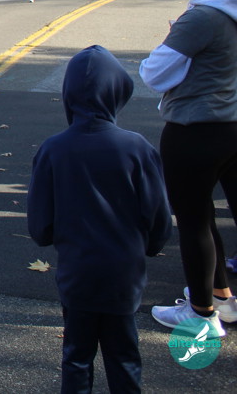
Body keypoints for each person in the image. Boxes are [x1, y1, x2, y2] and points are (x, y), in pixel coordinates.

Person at [28, 45, 172, 393]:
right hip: (124, 273)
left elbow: (40, 228)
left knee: (77, 356)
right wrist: (151, 246)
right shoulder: (138, 149)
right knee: (124, 356)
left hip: (77, 272)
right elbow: (158, 217)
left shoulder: (53, 149)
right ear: (118, 92)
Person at [139, 0, 237, 339]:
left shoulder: (201, 18)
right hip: (230, 125)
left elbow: (153, 73)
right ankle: (221, 298)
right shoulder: (229, 8)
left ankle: (202, 315)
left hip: (194, 130)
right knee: (207, 220)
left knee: (195, 223)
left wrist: (173, 40)